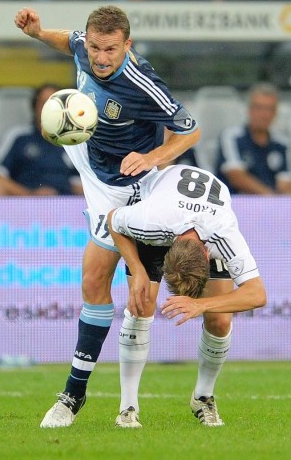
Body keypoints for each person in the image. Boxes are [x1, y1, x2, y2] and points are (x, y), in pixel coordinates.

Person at [14, 5, 200, 428]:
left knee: (141, 298)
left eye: (111, 50)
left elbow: (191, 130)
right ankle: (73, 395)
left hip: (131, 188)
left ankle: (128, 405)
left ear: (127, 45)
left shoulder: (143, 85)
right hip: (92, 163)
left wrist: (153, 157)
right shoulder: (85, 47)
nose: (100, 57)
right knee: (94, 281)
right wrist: (40, 34)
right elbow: (71, 42)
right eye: (96, 47)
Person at [107, 163, 266, 427]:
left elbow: (257, 294)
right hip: (164, 213)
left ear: (208, 255)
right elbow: (113, 219)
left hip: (202, 216)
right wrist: (138, 271)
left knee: (221, 320)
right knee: (141, 304)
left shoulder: (224, 233)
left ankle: (203, 397)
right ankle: (128, 407)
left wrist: (203, 304)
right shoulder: (148, 222)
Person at [0, 84, 83, 196]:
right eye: (44, 103)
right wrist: (30, 195)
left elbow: (78, 183)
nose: (49, 109)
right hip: (24, 206)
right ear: (34, 107)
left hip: (64, 207)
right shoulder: (19, 137)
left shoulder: (74, 142)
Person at [216, 82, 291, 195]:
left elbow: (285, 184)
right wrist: (271, 198)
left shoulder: (282, 143)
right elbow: (236, 177)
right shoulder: (232, 136)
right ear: (249, 109)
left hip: (274, 207)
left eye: (269, 109)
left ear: (275, 112)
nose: (264, 114)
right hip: (235, 204)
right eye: (259, 107)